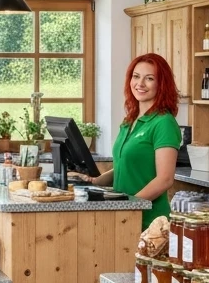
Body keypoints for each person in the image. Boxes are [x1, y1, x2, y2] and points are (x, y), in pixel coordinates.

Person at [74, 53, 181, 222]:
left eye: (149, 78)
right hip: (124, 216)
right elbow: (126, 166)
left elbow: (165, 179)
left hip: (148, 220)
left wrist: (130, 206)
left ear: (162, 84)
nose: (140, 84)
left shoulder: (163, 123)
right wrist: (97, 181)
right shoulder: (130, 120)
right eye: (136, 76)